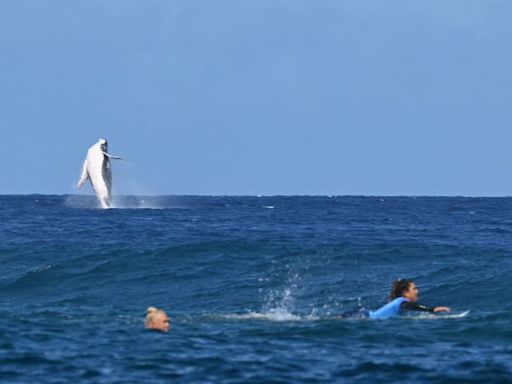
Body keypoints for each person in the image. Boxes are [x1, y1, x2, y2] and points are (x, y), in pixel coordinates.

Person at [337, 279, 450, 319]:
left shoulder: (398, 302)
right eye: (414, 289)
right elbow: (410, 306)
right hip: (362, 317)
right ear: (406, 292)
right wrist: (431, 309)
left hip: (363, 314)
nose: (417, 291)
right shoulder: (402, 302)